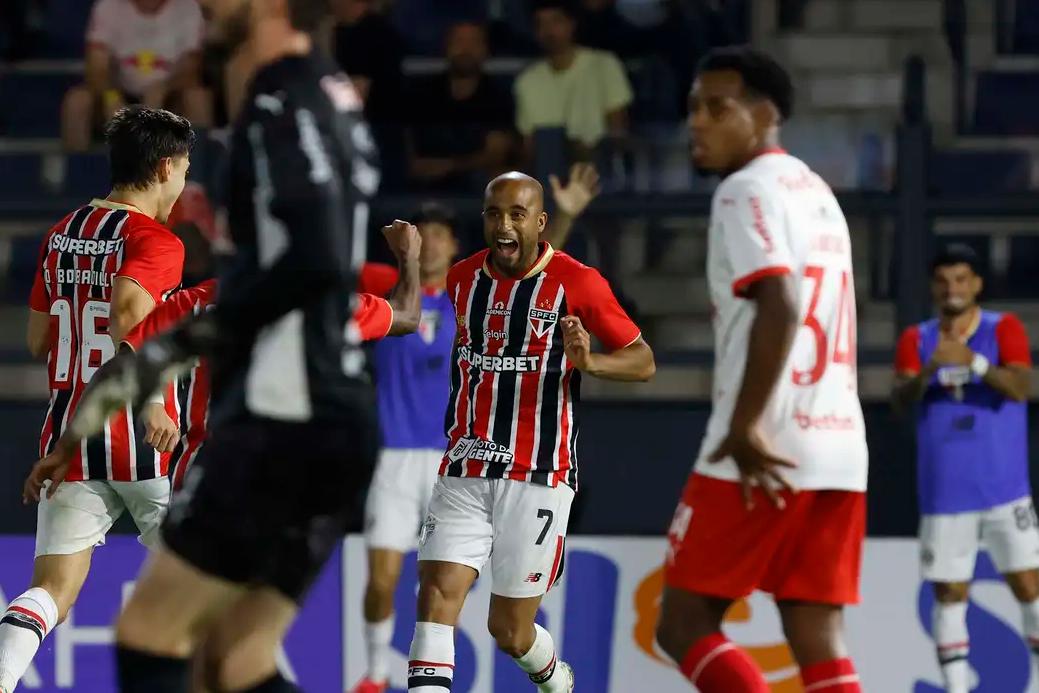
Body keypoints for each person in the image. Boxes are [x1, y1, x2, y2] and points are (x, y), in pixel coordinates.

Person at [22, 0, 394, 689]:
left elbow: (312, 261)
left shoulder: (283, 102)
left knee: (152, 637)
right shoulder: (322, 94)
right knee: (230, 660)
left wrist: (199, 334)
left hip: (288, 415)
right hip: (321, 419)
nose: (204, 6)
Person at [655, 47, 868, 693]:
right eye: (693, 107)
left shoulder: (743, 189)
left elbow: (779, 300)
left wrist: (745, 425)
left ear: (765, 114)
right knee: (816, 630)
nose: (697, 121)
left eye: (717, 108)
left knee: (683, 623)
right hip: (838, 444)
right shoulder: (815, 190)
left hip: (763, 440)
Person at [351, 166, 600, 693]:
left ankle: (547, 671)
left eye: (439, 236)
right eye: (422, 235)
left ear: (454, 245)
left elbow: (541, 275)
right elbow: (327, 268)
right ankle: (374, 674)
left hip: (487, 459)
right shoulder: (392, 288)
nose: (430, 244)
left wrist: (565, 215)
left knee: (504, 626)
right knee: (401, 584)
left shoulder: (470, 294)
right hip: (410, 457)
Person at [405, 171, 655, 693]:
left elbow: (643, 360)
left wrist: (591, 363)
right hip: (465, 464)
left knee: (509, 631)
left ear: (541, 222)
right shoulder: (462, 279)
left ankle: (554, 678)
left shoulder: (578, 282)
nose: (504, 225)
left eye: (517, 215)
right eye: (494, 214)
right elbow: (414, 317)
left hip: (538, 473)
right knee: (435, 596)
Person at [0, 105, 191, 693]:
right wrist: (154, 401)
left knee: (51, 591)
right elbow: (130, 312)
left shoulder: (61, 233)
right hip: (145, 438)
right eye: (185, 168)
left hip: (70, 435)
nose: (184, 182)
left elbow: (39, 340)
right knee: (206, 586)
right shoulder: (156, 241)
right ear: (164, 167)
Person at [892, 244, 1037, 693]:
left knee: (1028, 583)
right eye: (942, 281)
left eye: (960, 279)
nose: (951, 288)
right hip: (945, 490)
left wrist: (972, 361)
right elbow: (900, 399)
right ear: (932, 287)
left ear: (976, 284)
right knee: (949, 592)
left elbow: (1020, 387)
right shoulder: (917, 339)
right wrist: (929, 370)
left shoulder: (1002, 328)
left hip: (1004, 486)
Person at [61, 0, 212, 152]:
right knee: (77, 102)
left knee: (197, 98)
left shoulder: (187, 7)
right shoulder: (108, 6)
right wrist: (111, 96)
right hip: (118, 93)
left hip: (169, 96)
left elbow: (191, 69)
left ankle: (197, 164)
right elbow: (96, 69)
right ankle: (78, 164)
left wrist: (163, 89)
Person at [515, 0, 632, 162]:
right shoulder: (526, 81)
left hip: (600, 166)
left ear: (572, 24)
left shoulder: (604, 65)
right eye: (541, 24)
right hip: (549, 170)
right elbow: (529, 146)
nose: (549, 31)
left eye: (556, 21)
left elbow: (618, 131)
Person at [406, 21, 514, 193]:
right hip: (426, 186)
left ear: (485, 50)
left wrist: (450, 166)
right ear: (446, 47)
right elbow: (409, 151)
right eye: (459, 41)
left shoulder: (498, 97)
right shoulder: (423, 95)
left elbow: (495, 155)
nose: (465, 49)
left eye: (473, 42)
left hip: (476, 187)